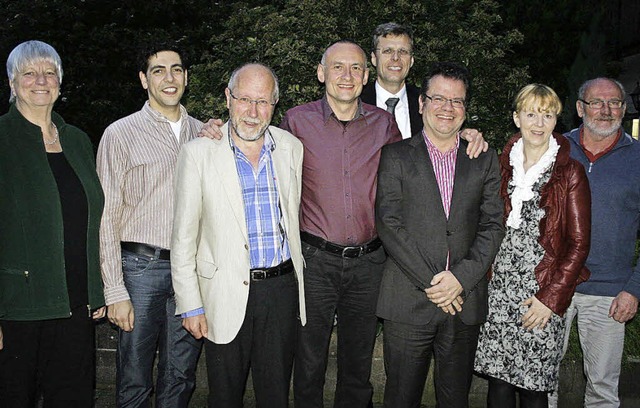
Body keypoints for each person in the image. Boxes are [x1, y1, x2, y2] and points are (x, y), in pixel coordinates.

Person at [197, 41, 487, 408]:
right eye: (337, 67)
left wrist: (464, 135)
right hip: (314, 261)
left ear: (366, 75)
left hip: (370, 263)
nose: (346, 76)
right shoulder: (296, 121)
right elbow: (249, 132)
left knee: (357, 362)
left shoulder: (384, 125)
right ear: (321, 73)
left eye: (355, 68)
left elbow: (421, 158)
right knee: (308, 360)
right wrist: (215, 129)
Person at [171, 62, 306, 407]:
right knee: (225, 395)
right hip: (223, 292)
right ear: (228, 98)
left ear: (275, 105)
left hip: (280, 289)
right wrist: (190, 305)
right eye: (245, 99)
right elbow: (183, 238)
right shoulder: (198, 153)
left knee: (275, 394)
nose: (252, 111)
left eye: (263, 102)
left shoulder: (291, 147)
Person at [375, 61, 505, 408]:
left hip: (464, 301)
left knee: (455, 399)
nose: (447, 108)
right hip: (408, 301)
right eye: (438, 98)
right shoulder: (395, 155)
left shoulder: (484, 157)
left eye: (457, 101)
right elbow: (389, 223)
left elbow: (493, 224)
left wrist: (460, 279)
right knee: (401, 398)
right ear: (421, 104)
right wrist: (436, 285)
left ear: (465, 109)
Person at [96, 42, 203, 407]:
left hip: (190, 271)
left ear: (186, 77)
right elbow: (106, 216)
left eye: (176, 69)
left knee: (181, 375)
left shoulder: (204, 135)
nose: (169, 78)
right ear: (144, 80)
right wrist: (113, 290)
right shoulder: (120, 134)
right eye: (158, 70)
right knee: (135, 375)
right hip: (140, 270)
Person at [0, 40, 106, 407]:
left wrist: (96, 289)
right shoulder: (2, 138)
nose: (40, 80)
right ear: (12, 84)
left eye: (49, 72)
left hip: (75, 305)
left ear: (60, 82)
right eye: (28, 73)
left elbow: (91, 220)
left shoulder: (77, 140)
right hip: (18, 307)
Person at [474, 84, 591, 407]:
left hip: (540, 295)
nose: (538, 123)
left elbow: (578, 245)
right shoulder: (500, 165)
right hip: (498, 293)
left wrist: (550, 300)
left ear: (556, 121)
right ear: (516, 118)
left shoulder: (570, 172)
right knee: (498, 382)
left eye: (547, 115)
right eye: (531, 114)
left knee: (533, 388)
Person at [548, 78, 640, 408]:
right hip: (554, 284)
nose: (605, 110)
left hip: (609, 292)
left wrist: (634, 289)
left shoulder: (638, 158)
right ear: (579, 108)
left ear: (624, 109)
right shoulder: (554, 148)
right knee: (540, 378)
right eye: (596, 102)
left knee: (602, 388)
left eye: (614, 102)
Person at [360, 22, 422, 139]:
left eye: (403, 51)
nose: (395, 58)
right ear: (374, 58)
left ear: (412, 60)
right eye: (388, 51)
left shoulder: (427, 103)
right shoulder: (356, 103)